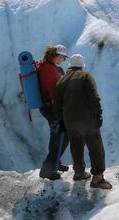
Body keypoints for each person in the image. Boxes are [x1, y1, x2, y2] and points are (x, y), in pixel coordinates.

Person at [53, 54, 112, 189]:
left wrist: (62, 120)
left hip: (70, 121)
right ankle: (97, 178)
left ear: (70, 66)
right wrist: (98, 115)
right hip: (87, 120)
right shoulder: (85, 76)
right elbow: (93, 97)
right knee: (95, 147)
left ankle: (79, 173)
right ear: (81, 65)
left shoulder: (61, 81)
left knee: (76, 146)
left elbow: (56, 104)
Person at [37, 44, 70, 180]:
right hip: (51, 108)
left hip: (48, 108)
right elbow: (52, 91)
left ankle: (56, 163)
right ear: (56, 56)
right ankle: (47, 170)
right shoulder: (49, 69)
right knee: (63, 137)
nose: (62, 60)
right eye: (62, 57)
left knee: (56, 135)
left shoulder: (47, 67)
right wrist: (60, 109)